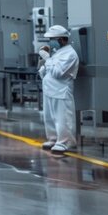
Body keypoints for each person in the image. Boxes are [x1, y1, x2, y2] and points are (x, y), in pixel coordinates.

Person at [37, 25, 80, 155]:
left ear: (61, 39)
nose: (50, 42)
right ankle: (53, 139)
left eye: (52, 39)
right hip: (50, 90)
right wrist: (44, 66)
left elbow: (58, 73)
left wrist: (47, 58)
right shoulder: (57, 53)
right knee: (49, 117)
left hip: (61, 91)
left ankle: (65, 142)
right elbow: (47, 72)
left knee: (63, 118)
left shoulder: (70, 54)